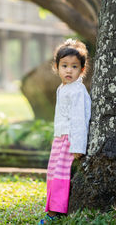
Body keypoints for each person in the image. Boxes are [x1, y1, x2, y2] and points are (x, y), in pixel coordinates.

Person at [39, 39, 91, 224]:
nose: (69, 70)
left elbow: (79, 119)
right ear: (57, 67)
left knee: (61, 176)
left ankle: (54, 213)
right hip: (60, 139)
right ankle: (53, 209)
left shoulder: (77, 90)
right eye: (65, 66)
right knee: (53, 174)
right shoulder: (63, 88)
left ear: (82, 70)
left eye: (74, 66)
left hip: (70, 140)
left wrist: (77, 146)